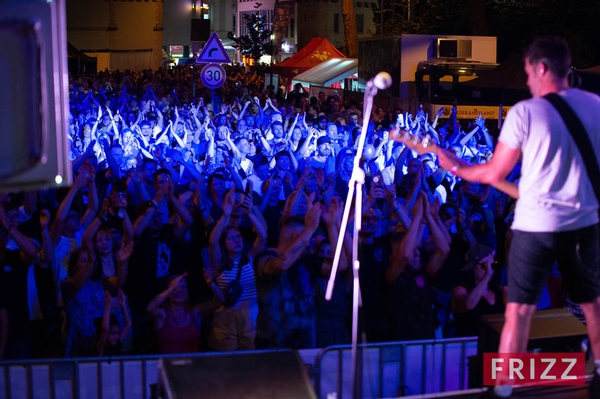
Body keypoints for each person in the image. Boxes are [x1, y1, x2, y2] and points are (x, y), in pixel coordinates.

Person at [436, 36, 600, 398]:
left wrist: (456, 166)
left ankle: (506, 383)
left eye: (528, 73)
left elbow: (494, 172)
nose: (527, 81)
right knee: (592, 304)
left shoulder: (527, 112)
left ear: (541, 68)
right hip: (584, 226)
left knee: (520, 310)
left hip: (536, 226)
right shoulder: (597, 106)